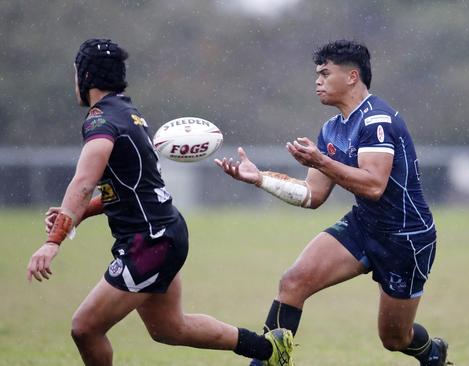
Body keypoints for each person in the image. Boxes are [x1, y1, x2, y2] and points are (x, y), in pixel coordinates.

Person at [26, 38, 294, 366]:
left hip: (149, 241)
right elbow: (128, 189)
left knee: (85, 328)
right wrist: (77, 215)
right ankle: (269, 350)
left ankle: (269, 351)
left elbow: (84, 182)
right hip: (163, 232)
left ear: (84, 76)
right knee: (169, 328)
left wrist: (54, 241)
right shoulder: (128, 113)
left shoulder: (100, 120)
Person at [216, 39, 449, 366]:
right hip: (363, 226)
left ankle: (433, 353)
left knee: (394, 338)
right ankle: (266, 360)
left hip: (406, 239)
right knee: (293, 282)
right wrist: (260, 179)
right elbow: (313, 196)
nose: (317, 80)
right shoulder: (331, 129)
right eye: (317, 74)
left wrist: (321, 161)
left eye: (325, 73)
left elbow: (374, 186)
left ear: (352, 76)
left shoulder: (376, 120)